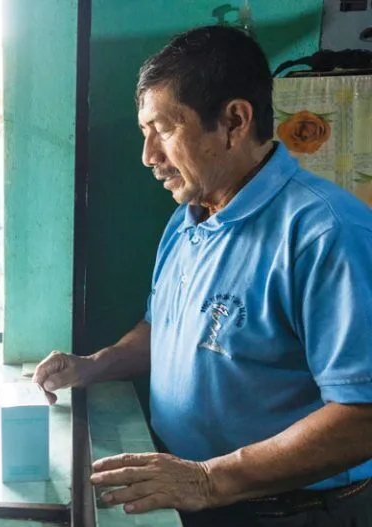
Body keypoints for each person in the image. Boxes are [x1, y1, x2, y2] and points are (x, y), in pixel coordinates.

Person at [34, 26, 372, 527]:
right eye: (144, 133)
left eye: (164, 129)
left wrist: (209, 479)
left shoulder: (327, 233)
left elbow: (362, 417)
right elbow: (166, 329)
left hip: (288, 511)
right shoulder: (190, 216)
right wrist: (96, 365)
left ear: (234, 120)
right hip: (197, 494)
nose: (148, 156)